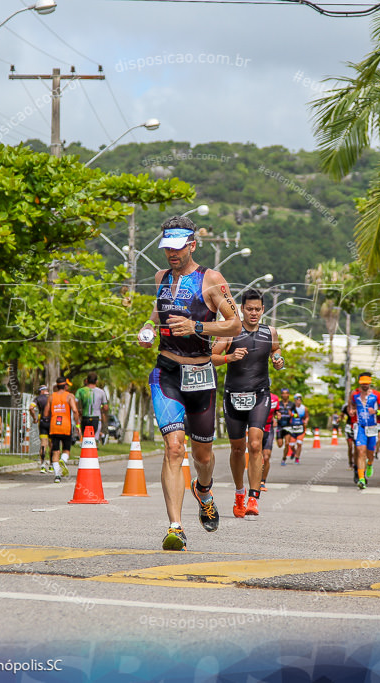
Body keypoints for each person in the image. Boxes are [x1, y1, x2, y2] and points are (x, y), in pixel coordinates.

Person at [136, 215, 242, 551]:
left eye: (178, 248)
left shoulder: (211, 279)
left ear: (192, 245)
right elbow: (158, 313)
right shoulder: (161, 278)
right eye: (167, 248)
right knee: (173, 448)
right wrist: (148, 328)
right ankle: (175, 526)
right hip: (166, 372)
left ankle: (204, 489)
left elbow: (235, 326)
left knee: (203, 455)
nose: (172, 254)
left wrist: (197, 327)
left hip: (201, 375)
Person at [211, 288, 284, 518]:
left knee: (255, 444)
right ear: (242, 309)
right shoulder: (229, 331)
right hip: (233, 395)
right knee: (237, 448)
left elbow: (275, 349)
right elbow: (210, 358)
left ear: (263, 309)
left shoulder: (270, 332)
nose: (254, 313)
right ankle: (239, 493)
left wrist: (278, 359)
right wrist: (229, 357)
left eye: (257, 309)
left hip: (260, 395)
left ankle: (254, 497)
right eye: (249, 309)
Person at [43, 377, 79, 483]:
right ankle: (63, 461)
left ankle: (57, 476)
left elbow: (46, 413)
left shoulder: (51, 397)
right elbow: (75, 410)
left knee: (55, 451)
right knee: (66, 449)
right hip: (66, 426)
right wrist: (78, 424)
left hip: (54, 426)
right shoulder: (69, 396)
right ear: (66, 386)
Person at [349, 373, 379, 489]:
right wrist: (352, 410)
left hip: (372, 428)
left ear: (370, 383)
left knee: (370, 454)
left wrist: (376, 412)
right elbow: (351, 405)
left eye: (367, 383)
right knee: (360, 451)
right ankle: (361, 479)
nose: (365, 385)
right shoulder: (354, 395)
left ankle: (370, 464)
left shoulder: (376, 395)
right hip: (360, 427)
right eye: (363, 384)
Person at [76, 371, 110, 441]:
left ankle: (86, 450)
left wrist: (78, 410)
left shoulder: (81, 391)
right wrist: (102, 409)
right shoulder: (101, 392)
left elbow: (75, 402)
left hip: (85, 417)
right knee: (94, 438)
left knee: (86, 437)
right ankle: (94, 449)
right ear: (97, 381)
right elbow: (106, 407)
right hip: (96, 418)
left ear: (87, 380)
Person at [260, 391, 280, 492]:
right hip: (257, 427)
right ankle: (255, 481)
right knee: (256, 456)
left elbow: (277, 411)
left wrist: (278, 416)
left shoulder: (275, 398)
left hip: (269, 428)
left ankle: (262, 481)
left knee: (266, 457)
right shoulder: (255, 395)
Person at [29, 385, 51, 472]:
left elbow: (31, 408)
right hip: (52, 422)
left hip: (42, 421)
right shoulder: (52, 397)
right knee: (52, 443)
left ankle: (42, 464)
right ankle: (52, 464)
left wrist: (34, 418)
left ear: (41, 391)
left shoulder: (38, 398)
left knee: (43, 443)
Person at [284, 393, 309, 464]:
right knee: (291, 445)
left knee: (299, 443)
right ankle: (294, 452)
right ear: (295, 400)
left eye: (300, 398)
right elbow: (289, 415)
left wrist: (306, 421)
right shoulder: (291, 408)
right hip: (292, 428)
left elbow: (307, 417)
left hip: (301, 428)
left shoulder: (304, 408)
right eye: (297, 399)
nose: (299, 400)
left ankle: (297, 458)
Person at [275, 388, 294, 466]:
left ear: (288, 394)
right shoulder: (278, 404)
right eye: (283, 393)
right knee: (280, 445)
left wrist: (292, 415)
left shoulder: (292, 404)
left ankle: (284, 458)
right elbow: (274, 414)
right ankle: (287, 454)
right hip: (279, 426)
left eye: (286, 393)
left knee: (287, 443)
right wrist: (276, 418)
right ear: (281, 394)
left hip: (288, 426)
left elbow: (297, 415)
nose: (284, 395)